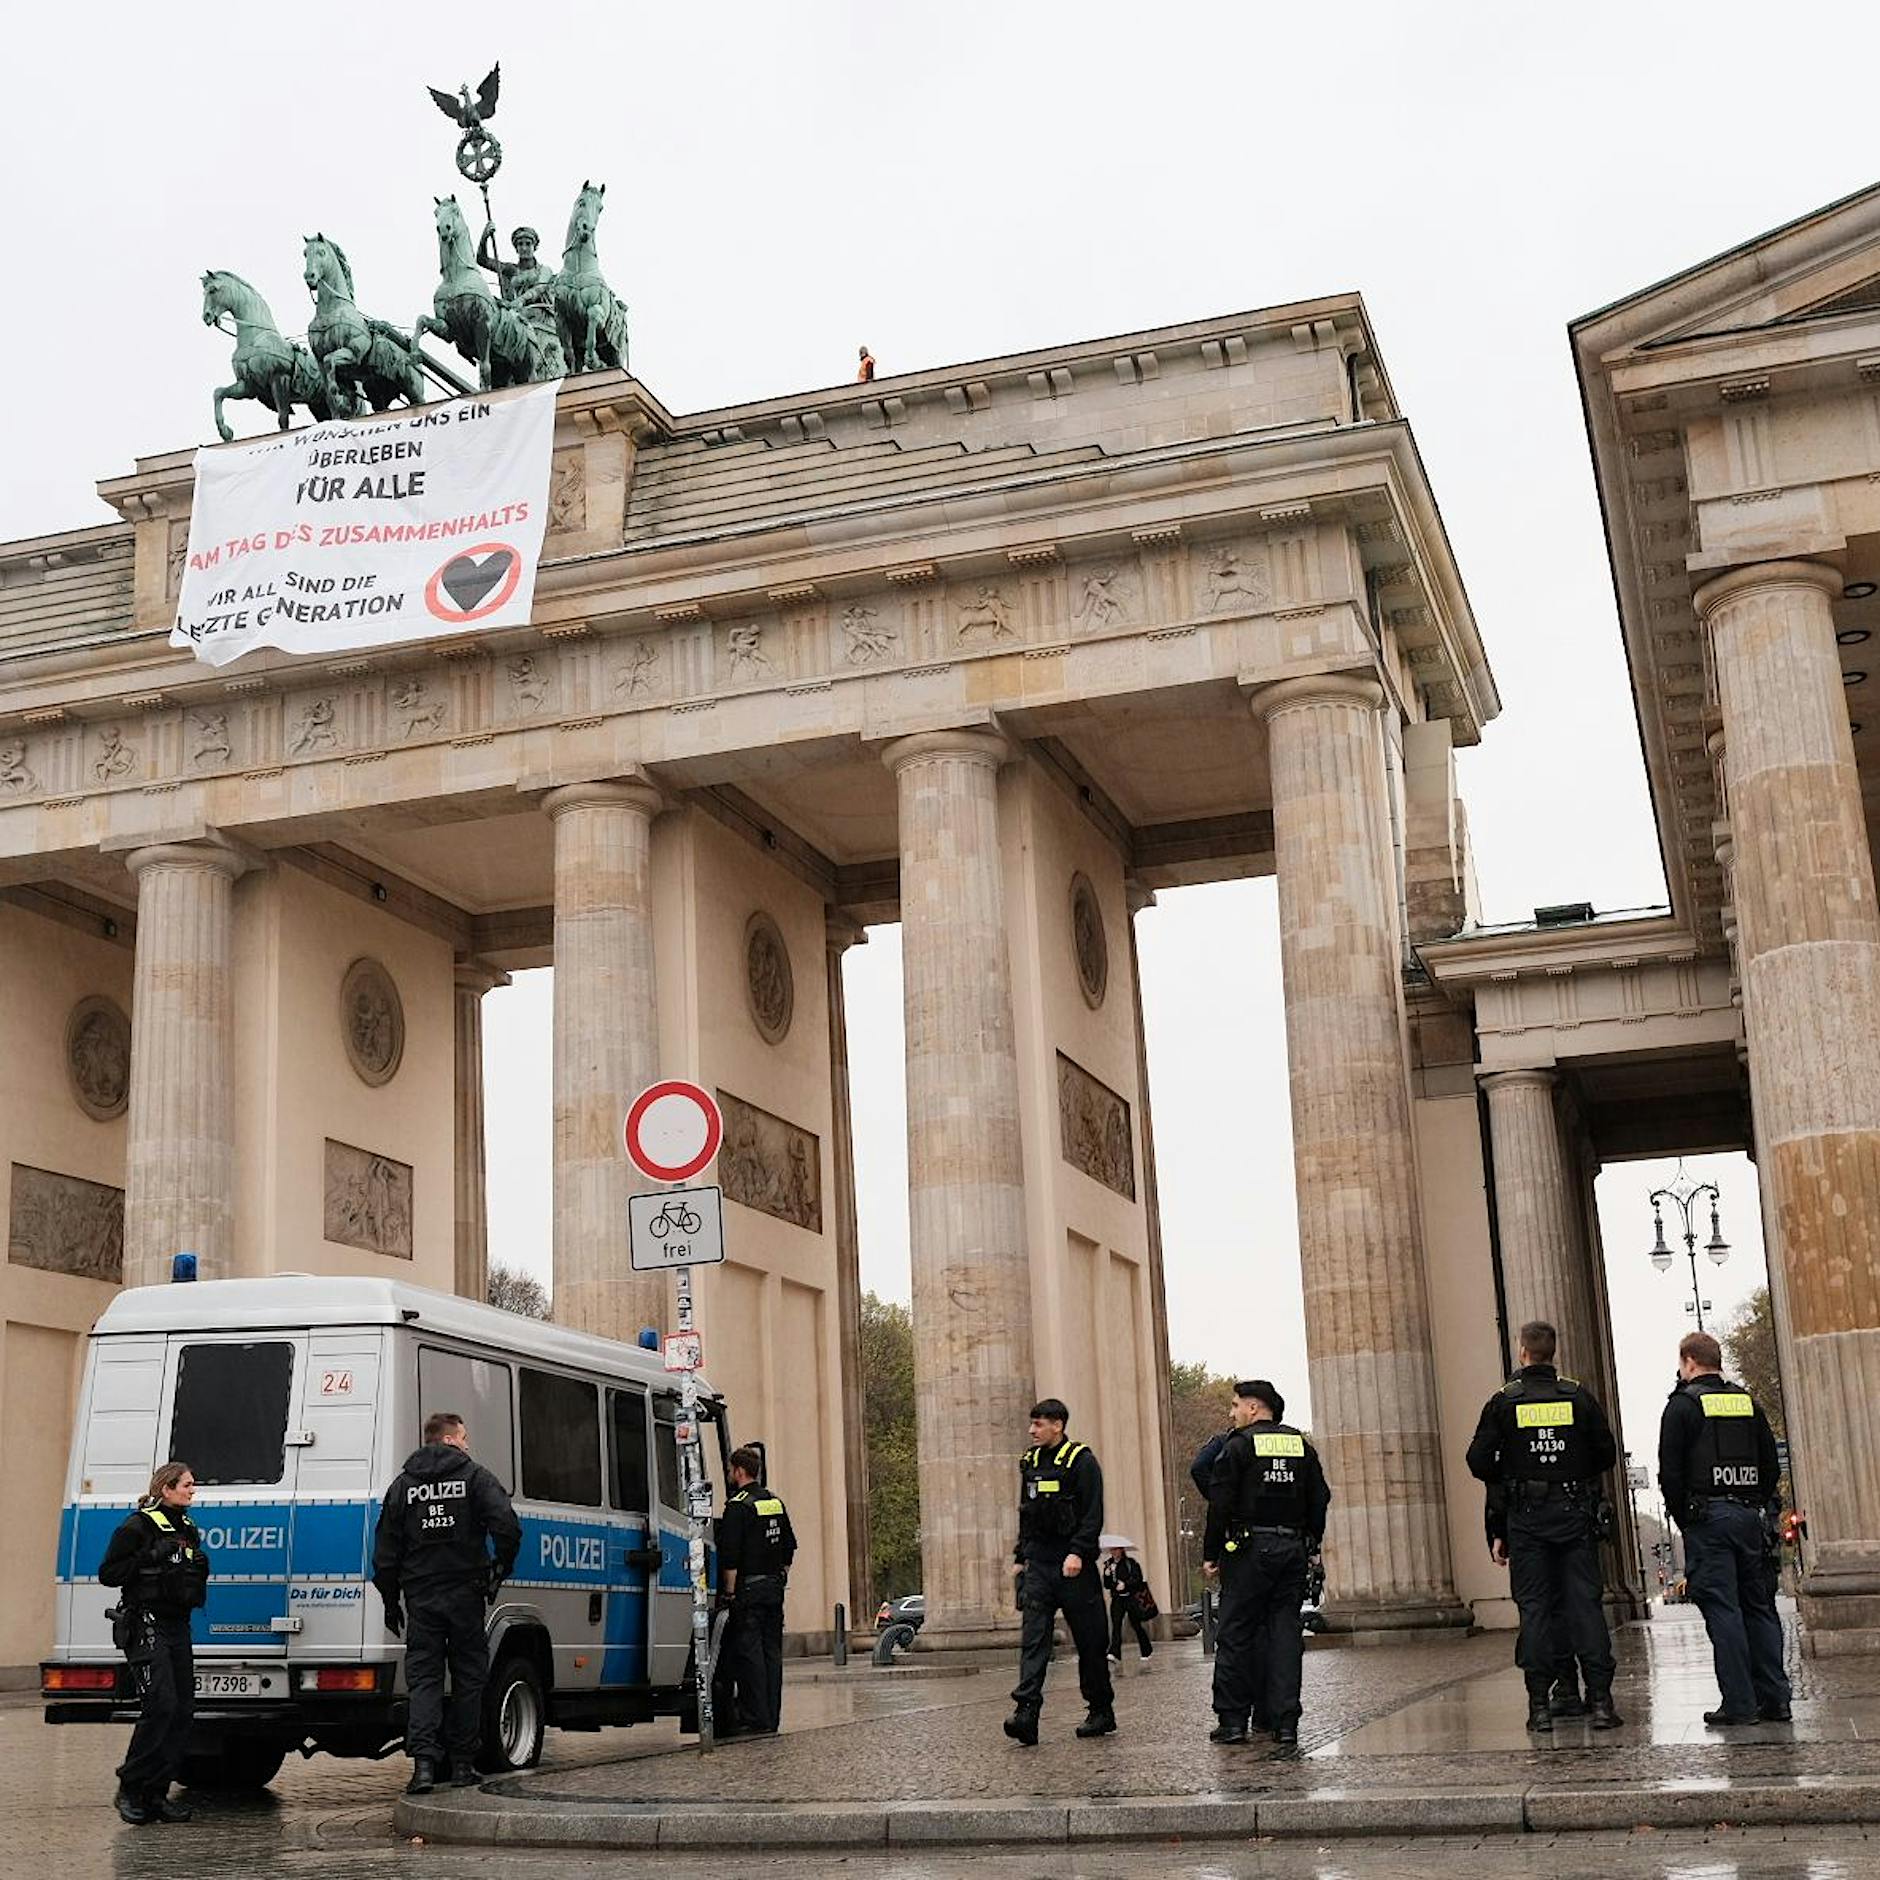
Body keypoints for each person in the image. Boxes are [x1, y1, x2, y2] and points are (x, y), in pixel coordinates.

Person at [1465, 1320, 1622, 1732]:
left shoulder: (1504, 1401)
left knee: (1535, 1610)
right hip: (1574, 1513)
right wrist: (1573, 1470)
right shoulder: (1577, 1396)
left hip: (1527, 1520)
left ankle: (1539, 1705)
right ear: (1553, 1353)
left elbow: (1477, 1460)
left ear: (1522, 1351)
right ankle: (1601, 1702)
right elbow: (1606, 1453)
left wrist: (1511, 1475)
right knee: (1584, 1606)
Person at [372, 1411, 521, 1795]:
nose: (468, 1445)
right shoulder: (475, 1478)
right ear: (451, 1440)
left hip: (421, 1597)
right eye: (464, 1437)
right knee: (469, 1678)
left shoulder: (403, 1486)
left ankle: (423, 1768)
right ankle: (462, 1765)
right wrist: (498, 1569)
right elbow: (507, 1526)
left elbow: (385, 1552)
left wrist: (391, 1601)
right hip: (465, 1593)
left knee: (424, 1680)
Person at [1658, 1330, 1791, 1726]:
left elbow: (1671, 1474)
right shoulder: (1748, 1402)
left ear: (1689, 1362)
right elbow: (1770, 1466)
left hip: (1708, 1520)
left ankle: (1739, 1702)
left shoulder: (1682, 1407)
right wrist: (1755, 1503)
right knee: (1760, 1607)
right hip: (1750, 1518)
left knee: (1723, 1610)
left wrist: (1687, 1519)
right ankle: (1776, 1699)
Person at [1203, 1379, 1329, 1746]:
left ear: (1253, 1407)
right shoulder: (1301, 1446)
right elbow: (1320, 1497)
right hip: (1291, 1549)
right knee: (1285, 1635)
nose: (1232, 1413)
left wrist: (1211, 1552)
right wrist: (1311, 1539)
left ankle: (1232, 1721)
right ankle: (1284, 1722)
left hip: (1248, 1551)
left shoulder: (1238, 1446)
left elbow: (1220, 1504)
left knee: (1235, 1634)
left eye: (1235, 1405)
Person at [99, 1460, 210, 1825]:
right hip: (146, 1623)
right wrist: (148, 1556)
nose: (192, 1490)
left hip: (177, 1625)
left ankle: (157, 1794)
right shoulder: (138, 1525)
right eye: (187, 1484)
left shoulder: (187, 1528)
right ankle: (130, 1787)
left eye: (192, 1484)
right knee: (161, 1705)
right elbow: (109, 1573)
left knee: (182, 1710)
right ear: (166, 1488)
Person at [1005, 1398, 1115, 1745]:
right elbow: (1026, 1513)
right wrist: (1021, 1555)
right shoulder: (1030, 1462)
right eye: (1032, 1423)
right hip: (1039, 1564)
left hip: (1073, 1567)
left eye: (1038, 1424)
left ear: (1058, 1425)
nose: (1031, 1430)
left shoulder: (1081, 1461)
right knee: (1033, 1640)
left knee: (1090, 1641)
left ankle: (1100, 1710)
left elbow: (1093, 1514)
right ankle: (1026, 1713)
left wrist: (1079, 1551)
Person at [714, 1446, 798, 1736]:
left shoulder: (737, 1506)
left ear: (739, 1471)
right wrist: (780, 1577)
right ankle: (772, 1716)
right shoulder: (774, 1502)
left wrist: (729, 1593)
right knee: (772, 1653)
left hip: (748, 1590)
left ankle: (756, 1717)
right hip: (774, 1588)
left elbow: (730, 1557)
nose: (730, 1474)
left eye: (730, 1470)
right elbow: (789, 1548)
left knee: (749, 1655)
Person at [1101, 1546, 1155, 1662]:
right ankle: (1114, 1653)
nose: (1114, 1552)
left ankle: (1146, 1649)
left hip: (1131, 1599)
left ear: (1121, 1550)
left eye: (1116, 1549)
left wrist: (1126, 1584)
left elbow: (1138, 1579)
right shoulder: (1108, 1564)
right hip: (1117, 1599)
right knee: (1116, 1625)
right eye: (1112, 1550)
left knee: (1136, 1625)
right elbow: (1107, 1585)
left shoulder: (1130, 1563)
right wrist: (1107, 1575)